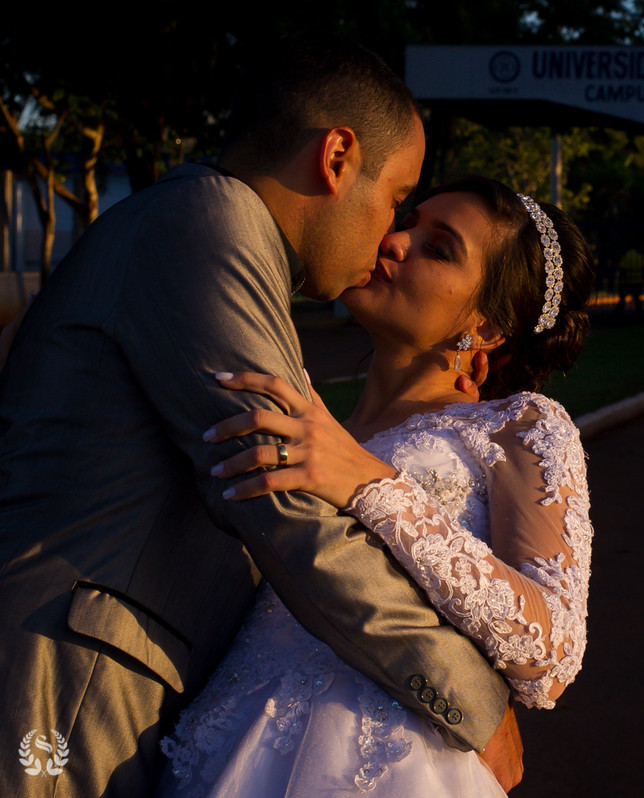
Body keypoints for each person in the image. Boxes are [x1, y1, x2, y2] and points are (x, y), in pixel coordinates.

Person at [0, 35, 514, 798]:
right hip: (63, 687)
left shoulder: (209, 232)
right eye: (396, 197)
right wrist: (472, 698)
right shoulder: (210, 225)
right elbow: (285, 503)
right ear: (336, 157)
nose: (389, 233)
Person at [156, 176, 594, 796]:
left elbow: (552, 654)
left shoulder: (519, 426)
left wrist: (370, 482)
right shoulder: (316, 422)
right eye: (407, 221)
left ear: (489, 327)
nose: (394, 241)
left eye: (438, 248)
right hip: (232, 737)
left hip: (386, 761)